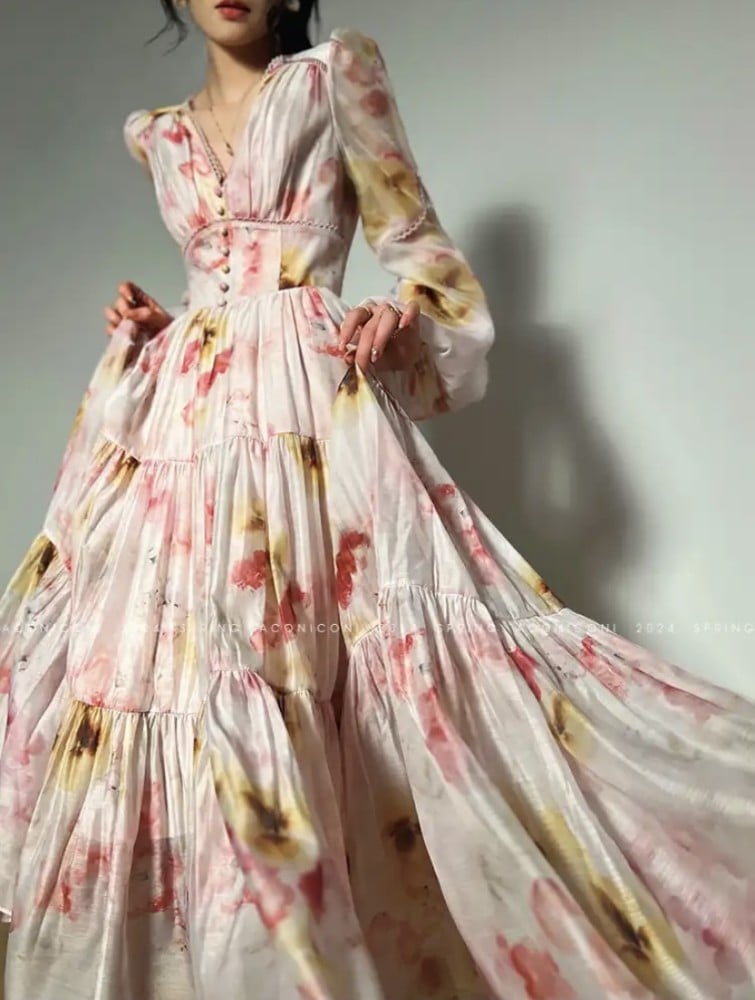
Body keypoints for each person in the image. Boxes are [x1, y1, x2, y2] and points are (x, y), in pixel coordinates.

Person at [1, 1, 754, 998]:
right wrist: (157, 323)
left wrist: (400, 319)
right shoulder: (155, 135)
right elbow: (214, 294)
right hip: (182, 433)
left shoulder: (334, 75)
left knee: (330, 671)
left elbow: (424, 260)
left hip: (315, 419)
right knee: (172, 677)